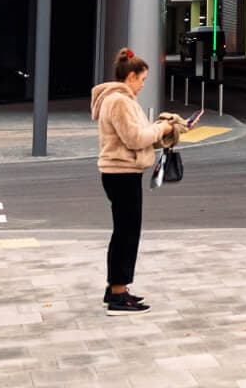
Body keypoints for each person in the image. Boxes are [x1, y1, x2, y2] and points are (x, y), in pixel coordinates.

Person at [91, 47, 186, 313]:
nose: (143, 85)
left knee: (124, 231)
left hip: (121, 172)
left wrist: (163, 132)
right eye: (142, 80)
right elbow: (134, 138)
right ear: (131, 77)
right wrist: (163, 128)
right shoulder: (120, 101)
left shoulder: (120, 100)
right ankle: (118, 294)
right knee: (126, 233)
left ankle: (117, 289)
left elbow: (140, 136)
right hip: (121, 173)